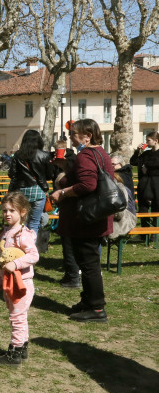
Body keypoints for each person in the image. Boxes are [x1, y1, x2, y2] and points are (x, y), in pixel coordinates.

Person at [50, 119, 113, 323]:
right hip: (95, 217)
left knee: (89, 264)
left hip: (86, 219)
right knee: (88, 262)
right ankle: (88, 301)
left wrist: (64, 192)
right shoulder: (100, 154)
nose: (71, 138)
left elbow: (87, 184)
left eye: (74, 134)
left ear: (87, 136)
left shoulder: (86, 155)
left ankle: (96, 308)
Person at [0, 192, 39, 366]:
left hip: (21, 284)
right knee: (19, 316)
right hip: (9, 282)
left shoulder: (22, 235)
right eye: (5, 210)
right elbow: (4, 260)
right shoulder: (6, 232)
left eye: (12, 210)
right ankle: (23, 346)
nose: (8, 214)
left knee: (17, 317)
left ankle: (15, 352)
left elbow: (34, 255)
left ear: (23, 212)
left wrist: (17, 264)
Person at [8, 130, 52, 234]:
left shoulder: (17, 155)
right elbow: (50, 175)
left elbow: (11, 174)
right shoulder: (44, 155)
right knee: (35, 223)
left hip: (21, 192)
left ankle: (21, 246)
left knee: (23, 222)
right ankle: (31, 247)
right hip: (38, 191)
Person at [130, 131, 159, 234]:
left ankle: (154, 234)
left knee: (156, 207)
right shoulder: (146, 153)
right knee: (143, 207)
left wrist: (146, 167)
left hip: (156, 185)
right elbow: (133, 162)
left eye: (148, 140)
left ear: (156, 141)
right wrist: (137, 151)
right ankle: (143, 233)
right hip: (144, 184)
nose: (146, 142)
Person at [109, 155, 137, 241]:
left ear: (120, 164)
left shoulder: (121, 177)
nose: (111, 166)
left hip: (127, 212)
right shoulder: (125, 174)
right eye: (110, 164)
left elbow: (123, 201)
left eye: (113, 164)